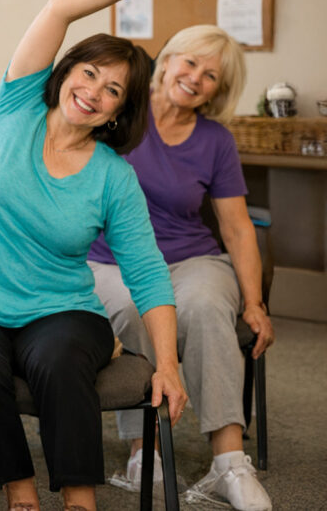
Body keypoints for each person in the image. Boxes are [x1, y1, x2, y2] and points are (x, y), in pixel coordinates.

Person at [0, 0, 235, 510]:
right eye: (89, 72)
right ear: (66, 72)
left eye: (112, 89)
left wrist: (167, 363)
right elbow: (60, 7)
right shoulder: (14, 107)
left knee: (62, 362)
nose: (93, 91)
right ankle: (21, 494)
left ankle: (79, 499)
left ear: (119, 111)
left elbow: (146, 271)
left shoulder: (114, 175)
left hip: (59, 308)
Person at [88, 25, 274, 511]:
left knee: (208, 307)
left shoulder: (216, 141)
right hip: (111, 259)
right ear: (166, 61)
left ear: (218, 90)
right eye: (189, 63)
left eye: (211, 75)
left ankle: (229, 461)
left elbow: (235, 228)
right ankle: (142, 448)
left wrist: (253, 302)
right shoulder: (119, 114)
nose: (195, 78)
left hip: (191, 257)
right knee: (134, 306)